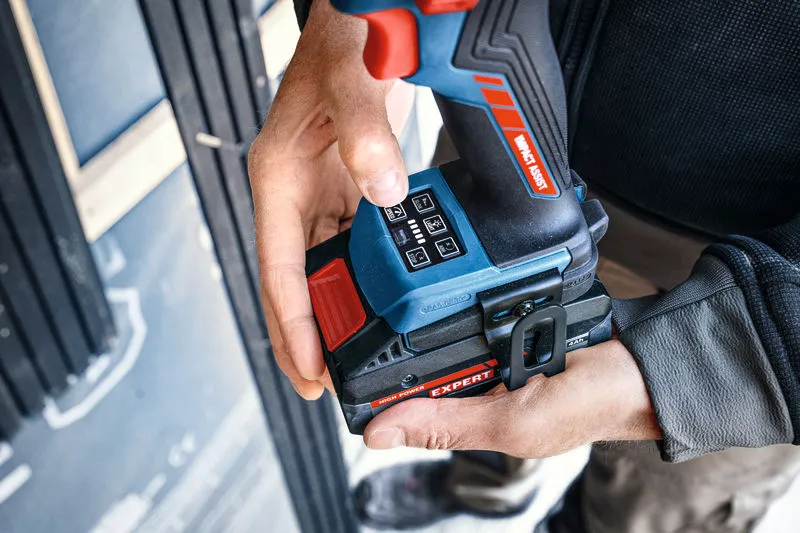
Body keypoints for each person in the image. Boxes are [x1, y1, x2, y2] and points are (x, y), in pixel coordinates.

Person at [247, 0, 800, 531]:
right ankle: (485, 492)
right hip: (492, 156)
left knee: (653, 511)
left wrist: (751, 352)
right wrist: (348, 22)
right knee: (478, 413)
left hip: (755, 277)